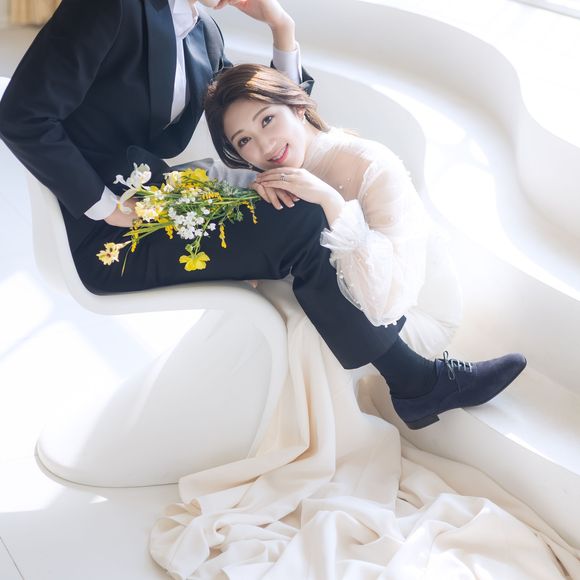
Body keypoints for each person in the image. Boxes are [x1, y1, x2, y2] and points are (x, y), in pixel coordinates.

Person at [0, 1, 524, 431]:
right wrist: (107, 208)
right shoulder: (109, 7)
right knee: (302, 217)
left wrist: (281, 27)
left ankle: (409, 367)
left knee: (295, 198)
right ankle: (416, 380)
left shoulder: (203, 33)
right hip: (107, 239)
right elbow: (22, 116)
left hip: (166, 201)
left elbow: (261, 112)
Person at [203, 63, 527, 428]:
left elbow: (385, 301)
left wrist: (333, 204)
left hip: (408, 312)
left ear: (297, 106)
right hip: (358, 312)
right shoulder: (272, 179)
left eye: (267, 120)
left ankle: (419, 381)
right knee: (264, 298)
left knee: (296, 312)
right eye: (244, 141)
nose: (264, 146)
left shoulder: (371, 163)